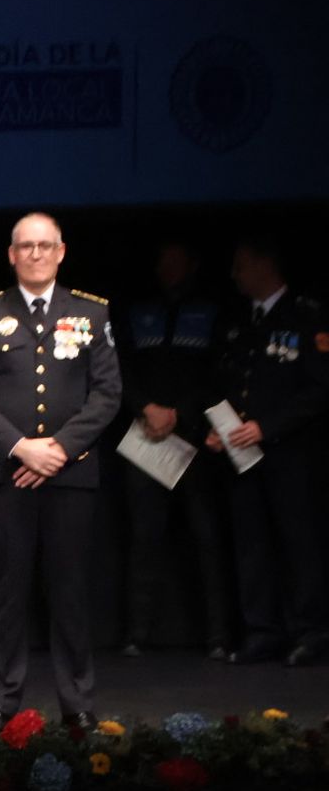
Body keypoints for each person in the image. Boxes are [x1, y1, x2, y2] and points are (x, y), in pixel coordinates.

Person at [0, 213, 121, 734]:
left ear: (62, 251)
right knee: (5, 593)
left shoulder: (91, 312)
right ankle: (2, 702)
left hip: (69, 476)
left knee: (69, 590)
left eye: (44, 246)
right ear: (11, 254)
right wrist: (22, 448)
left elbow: (107, 394)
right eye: (25, 246)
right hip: (5, 475)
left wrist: (59, 449)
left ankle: (78, 702)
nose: (35, 254)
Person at [208, 237, 329, 667]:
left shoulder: (305, 316)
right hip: (242, 456)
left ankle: (310, 632)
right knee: (251, 545)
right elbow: (228, 383)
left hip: (290, 455)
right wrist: (220, 429)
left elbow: (318, 389)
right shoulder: (238, 321)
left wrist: (267, 427)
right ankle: (262, 631)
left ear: (265, 265)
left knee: (298, 544)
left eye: (242, 265)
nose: (235, 275)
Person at [119, 240, 230, 659]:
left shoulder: (210, 311)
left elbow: (218, 372)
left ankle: (218, 636)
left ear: (192, 263)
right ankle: (136, 634)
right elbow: (120, 369)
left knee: (206, 537)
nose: (168, 266)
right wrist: (146, 408)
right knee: (143, 537)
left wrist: (181, 414)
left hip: (197, 439)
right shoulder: (137, 312)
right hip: (146, 435)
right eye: (162, 259)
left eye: (176, 259)